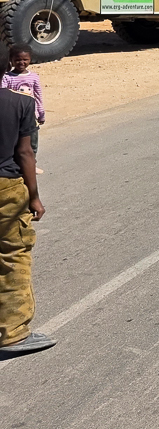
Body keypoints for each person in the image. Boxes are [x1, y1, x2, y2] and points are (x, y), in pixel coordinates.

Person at [0, 82, 52, 356]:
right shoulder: (20, 103)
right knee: (13, 257)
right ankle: (14, 333)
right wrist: (34, 196)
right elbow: (25, 153)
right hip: (5, 188)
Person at [2, 47, 44, 155]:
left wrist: (40, 113)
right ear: (11, 60)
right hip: (14, 114)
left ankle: (32, 163)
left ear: (30, 59)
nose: (21, 62)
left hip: (30, 114)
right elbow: (4, 95)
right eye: (17, 60)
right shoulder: (7, 77)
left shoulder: (34, 77)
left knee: (32, 140)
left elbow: (38, 96)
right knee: (15, 140)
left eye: (25, 59)